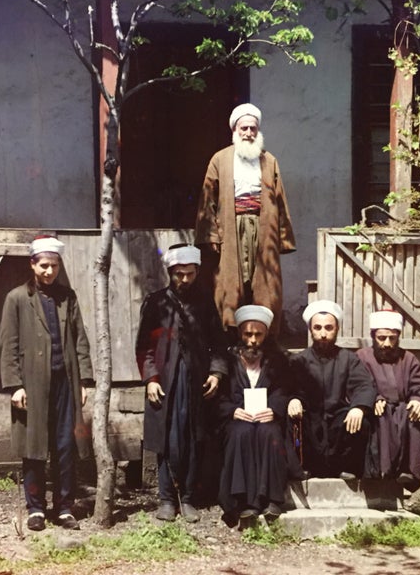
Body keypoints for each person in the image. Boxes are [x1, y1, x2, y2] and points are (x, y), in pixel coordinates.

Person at [0, 236, 93, 532]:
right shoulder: (17, 298)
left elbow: (80, 340)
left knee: (65, 445)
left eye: (53, 266)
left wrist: (84, 380)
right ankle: (35, 508)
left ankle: (64, 507)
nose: (49, 272)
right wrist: (15, 385)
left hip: (66, 383)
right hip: (32, 386)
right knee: (34, 446)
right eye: (43, 266)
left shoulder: (68, 297)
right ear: (32, 265)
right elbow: (8, 344)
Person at [135, 244, 228, 523]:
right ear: (170, 273)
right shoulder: (156, 303)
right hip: (165, 384)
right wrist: (151, 379)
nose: (184, 280)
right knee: (167, 441)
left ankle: (188, 499)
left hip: (195, 384)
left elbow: (218, 345)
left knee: (193, 439)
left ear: (197, 271)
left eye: (189, 274)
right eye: (179, 274)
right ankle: (166, 499)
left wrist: (216, 373)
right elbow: (143, 348)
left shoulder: (205, 304)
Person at [194, 103, 296, 336]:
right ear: (234, 130)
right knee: (229, 282)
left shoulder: (269, 161)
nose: (249, 134)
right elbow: (207, 199)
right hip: (231, 228)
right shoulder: (220, 159)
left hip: (263, 227)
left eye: (253, 129)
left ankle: (265, 336)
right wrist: (211, 233)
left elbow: (279, 199)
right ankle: (229, 335)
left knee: (265, 283)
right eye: (244, 128)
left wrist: (282, 236)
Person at [217, 304, 297, 529]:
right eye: (248, 334)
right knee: (240, 433)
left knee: (269, 432)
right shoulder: (228, 362)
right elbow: (218, 397)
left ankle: (271, 500)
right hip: (236, 419)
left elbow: (285, 391)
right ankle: (243, 503)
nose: (252, 340)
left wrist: (274, 409)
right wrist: (232, 410)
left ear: (266, 335)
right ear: (240, 334)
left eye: (258, 335)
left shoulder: (278, 362)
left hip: (265, 418)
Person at [288, 300, 376, 480]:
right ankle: (302, 468)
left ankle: (347, 469)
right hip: (309, 418)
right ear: (310, 330)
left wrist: (358, 407)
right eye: (318, 328)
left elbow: (364, 385)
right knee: (292, 421)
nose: (323, 334)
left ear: (337, 329)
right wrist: (293, 399)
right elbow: (288, 387)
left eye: (329, 328)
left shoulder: (349, 359)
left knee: (361, 422)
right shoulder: (298, 361)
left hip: (337, 419)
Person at [357, 310, 420, 491]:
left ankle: (408, 472)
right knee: (379, 418)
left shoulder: (408, 359)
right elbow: (357, 384)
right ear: (373, 336)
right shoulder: (361, 357)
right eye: (381, 338)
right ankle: (379, 472)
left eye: (392, 338)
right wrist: (373, 398)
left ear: (398, 337)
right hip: (375, 410)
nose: (387, 344)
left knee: (413, 417)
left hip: (402, 410)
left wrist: (418, 400)